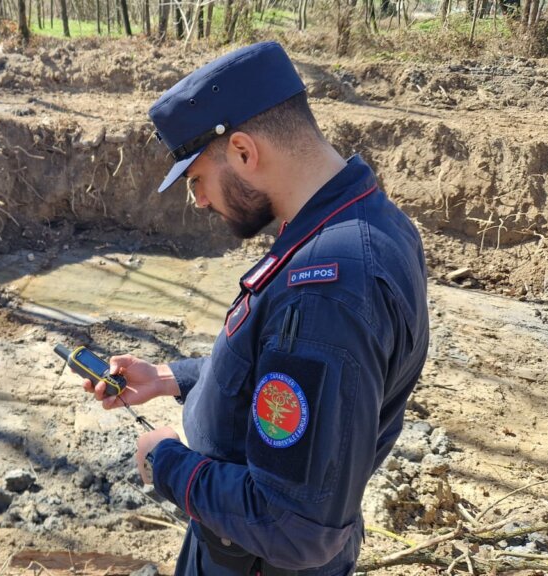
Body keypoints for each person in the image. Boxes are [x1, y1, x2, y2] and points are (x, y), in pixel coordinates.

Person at [78, 41, 430, 576]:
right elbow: (278, 373)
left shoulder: (326, 285)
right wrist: (170, 377)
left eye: (197, 179)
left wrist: (166, 461)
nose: (199, 200)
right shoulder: (361, 221)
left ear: (243, 152)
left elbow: (293, 526)